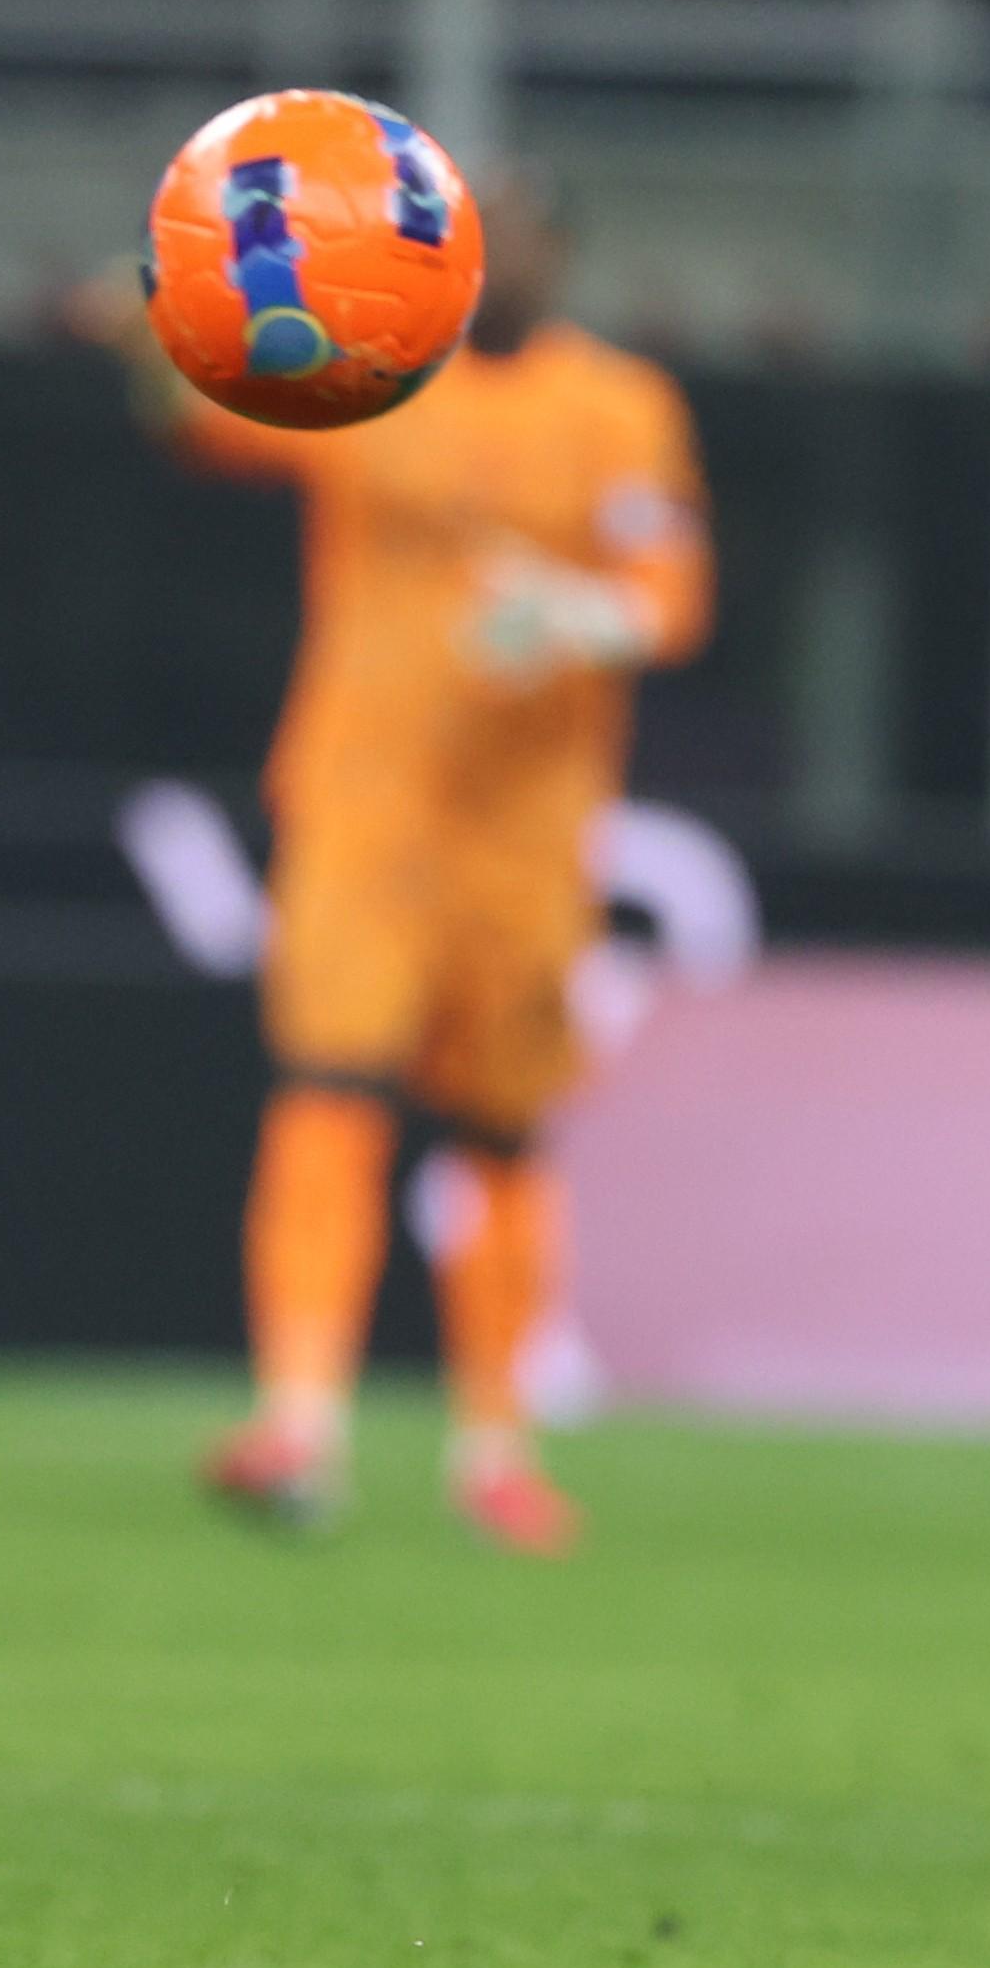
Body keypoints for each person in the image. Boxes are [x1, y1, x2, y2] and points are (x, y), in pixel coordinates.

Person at [118, 172, 709, 1556]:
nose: (504, 265)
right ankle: (300, 1424)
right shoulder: (367, 376)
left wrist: (581, 614)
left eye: (525, 240)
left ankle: (497, 1446)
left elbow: (671, 597)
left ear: (564, 259)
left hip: (528, 831)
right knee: (330, 1089)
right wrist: (164, 303)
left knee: (505, 1131)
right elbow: (200, 420)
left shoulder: (618, 407)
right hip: (364, 812)